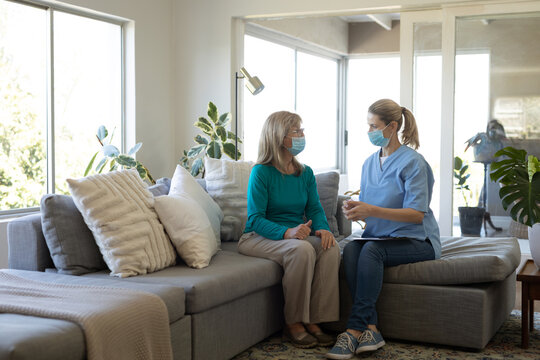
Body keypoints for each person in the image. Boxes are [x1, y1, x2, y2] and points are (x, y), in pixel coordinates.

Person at [327, 99, 441, 359]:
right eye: (367, 126)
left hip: (417, 239)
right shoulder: (369, 163)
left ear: (392, 126)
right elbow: (371, 207)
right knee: (353, 250)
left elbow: (415, 214)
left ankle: (354, 330)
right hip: (382, 236)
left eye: (373, 126)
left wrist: (371, 211)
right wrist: (356, 209)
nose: (369, 132)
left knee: (371, 252)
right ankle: (371, 328)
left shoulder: (414, 163)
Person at [239, 111, 340, 349]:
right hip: (258, 236)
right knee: (301, 250)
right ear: (280, 137)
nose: (302, 136)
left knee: (329, 248)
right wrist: (287, 233)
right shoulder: (261, 172)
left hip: (294, 236)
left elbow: (315, 208)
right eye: (297, 132)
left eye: (302, 131)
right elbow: (254, 219)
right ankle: (293, 322)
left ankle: (315, 320)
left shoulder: (305, 173)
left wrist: (323, 229)